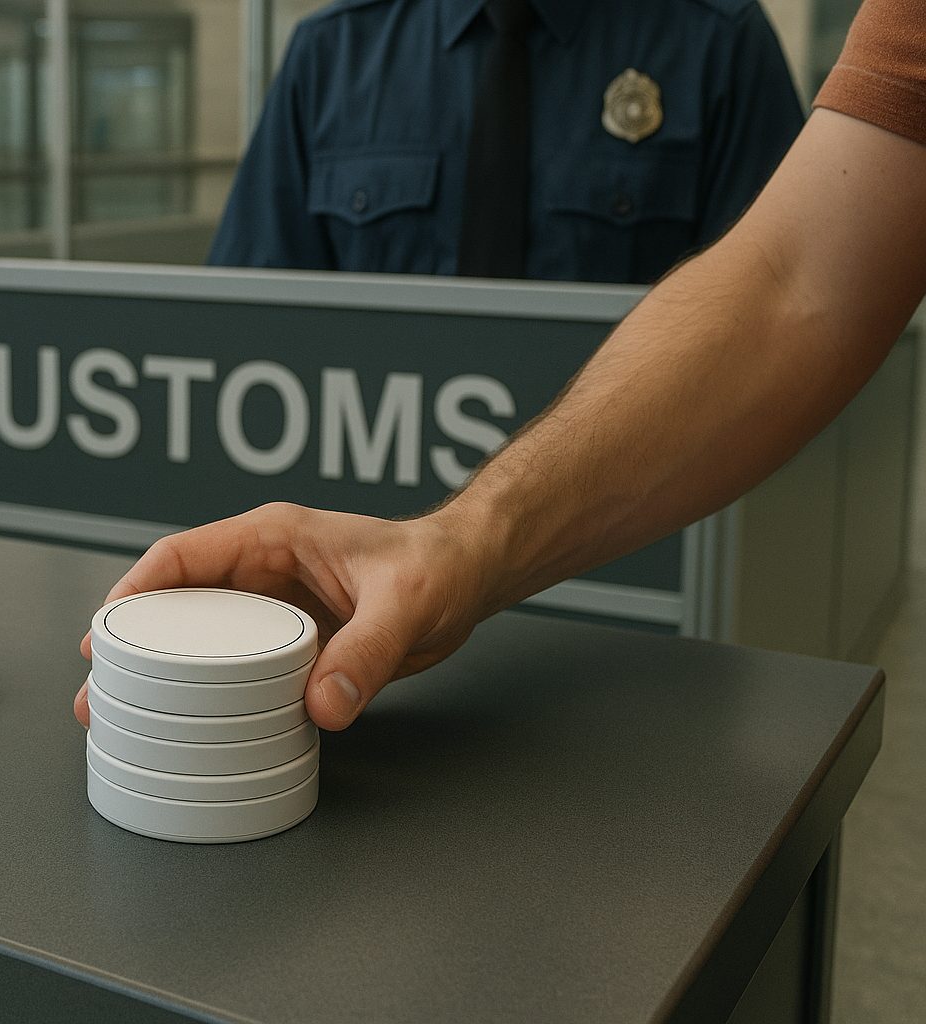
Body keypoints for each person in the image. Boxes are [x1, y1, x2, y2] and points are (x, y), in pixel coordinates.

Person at [76, 0, 926, 731]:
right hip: (365, 626)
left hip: (637, 643)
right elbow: (245, 344)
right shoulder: (333, 49)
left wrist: (471, 540)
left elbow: (792, 289)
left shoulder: (715, 39)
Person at [208, 0, 804, 284]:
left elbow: (771, 312)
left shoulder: (718, 45)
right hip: (373, 500)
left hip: (624, 509)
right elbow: (251, 322)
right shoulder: (334, 53)